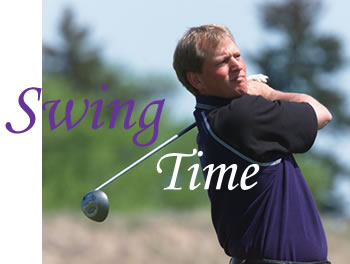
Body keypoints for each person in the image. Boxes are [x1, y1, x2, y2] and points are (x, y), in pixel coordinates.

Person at [173, 24, 332, 264]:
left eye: (237, 55)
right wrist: (270, 94)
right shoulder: (242, 116)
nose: (237, 65)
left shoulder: (212, 119)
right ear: (196, 80)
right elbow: (321, 114)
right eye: (222, 62)